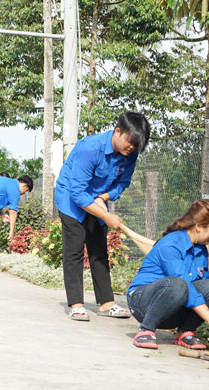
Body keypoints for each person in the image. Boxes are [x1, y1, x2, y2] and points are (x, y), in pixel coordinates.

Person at [55, 111, 150, 321]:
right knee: (75, 250)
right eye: (130, 141)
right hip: (71, 200)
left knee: (99, 250)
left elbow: (122, 183)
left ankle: (106, 303)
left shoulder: (130, 155)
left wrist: (104, 197)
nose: (132, 148)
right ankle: (76, 304)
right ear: (118, 131)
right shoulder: (91, 148)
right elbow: (78, 193)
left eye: (137, 145)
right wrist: (106, 216)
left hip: (96, 200)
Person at [127, 199, 209, 349]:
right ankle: (146, 330)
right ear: (199, 227)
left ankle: (185, 333)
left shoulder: (200, 249)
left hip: (172, 309)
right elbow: (183, 284)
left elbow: (205, 291)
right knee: (178, 283)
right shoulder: (170, 245)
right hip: (142, 303)